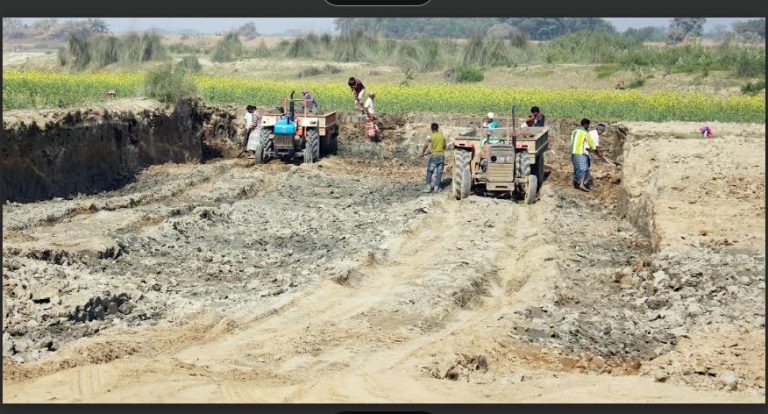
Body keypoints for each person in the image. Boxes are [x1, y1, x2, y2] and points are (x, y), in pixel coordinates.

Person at [570, 118, 597, 192]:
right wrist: (596, 151)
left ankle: (576, 183)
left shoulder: (574, 131)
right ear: (586, 124)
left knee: (577, 168)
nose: (588, 126)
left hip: (573, 152)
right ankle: (581, 184)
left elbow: (572, 142)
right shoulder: (585, 133)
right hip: (580, 152)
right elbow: (591, 143)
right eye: (588, 125)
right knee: (584, 168)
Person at [419, 123, 446, 193]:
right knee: (439, 172)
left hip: (434, 156)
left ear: (431, 129)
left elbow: (426, 144)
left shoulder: (430, 136)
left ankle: (428, 187)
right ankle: (437, 187)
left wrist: (422, 153)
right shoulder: (442, 136)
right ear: (438, 128)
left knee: (430, 171)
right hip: (441, 156)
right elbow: (444, 146)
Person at [584, 123, 607, 189]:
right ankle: (586, 181)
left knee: (587, 165)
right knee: (586, 166)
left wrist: (599, 153)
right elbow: (596, 147)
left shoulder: (591, 132)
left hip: (585, 151)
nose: (602, 133)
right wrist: (600, 154)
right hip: (584, 151)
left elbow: (593, 146)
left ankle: (586, 181)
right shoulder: (595, 134)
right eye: (602, 131)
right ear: (599, 130)